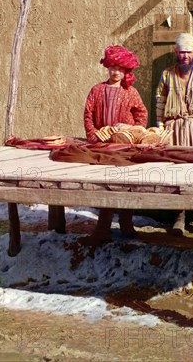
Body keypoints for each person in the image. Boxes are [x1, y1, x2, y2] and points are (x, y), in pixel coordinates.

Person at [82, 45, 148, 244]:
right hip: (103, 148)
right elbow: (88, 115)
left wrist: (134, 133)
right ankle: (103, 228)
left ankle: (126, 225)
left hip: (125, 149)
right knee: (106, 185)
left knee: (125, 185)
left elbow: (141, 114)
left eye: (120, 69)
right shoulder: (97, 90)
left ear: (126, 71)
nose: (115, 72)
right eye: (112, 68)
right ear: (107, 68)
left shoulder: (131, 92)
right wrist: (93, 135)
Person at [156, 33, 193, 236]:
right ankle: (179, 217)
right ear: (176, 52)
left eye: (188, 52)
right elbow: (160, 102)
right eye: (181, 52)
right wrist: (160, 129)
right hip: (173, 129)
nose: (184, 56)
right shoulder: (166, 74)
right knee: (176, 173)